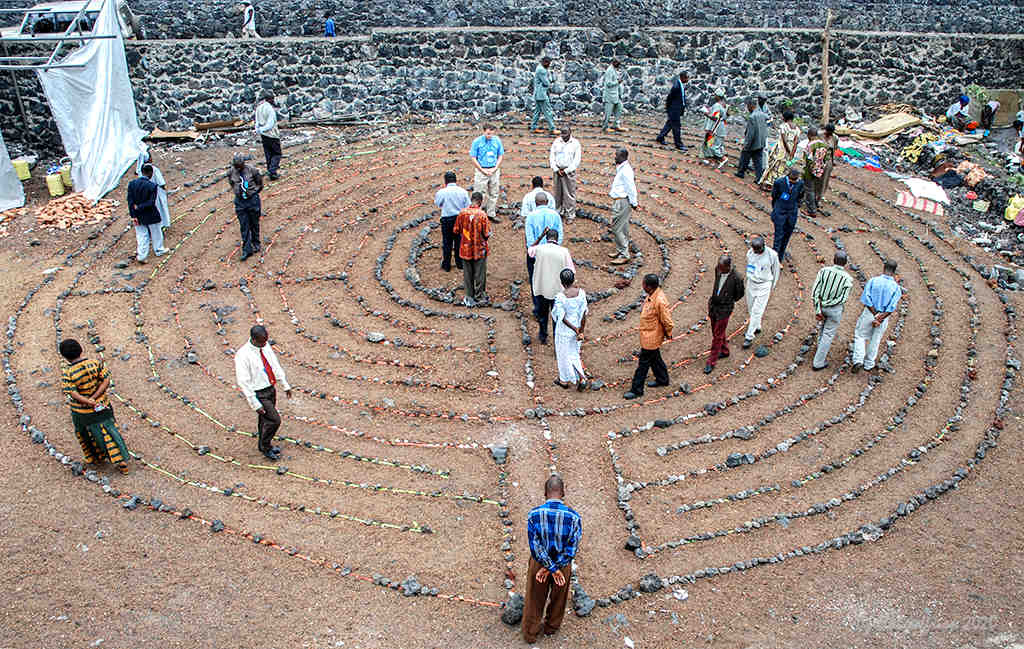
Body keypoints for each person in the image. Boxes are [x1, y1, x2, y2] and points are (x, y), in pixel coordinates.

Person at [523, 474, 582, 644]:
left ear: (545, 492)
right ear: (563, 493)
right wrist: (556, 569)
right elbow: (572, 548)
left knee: (534, 596)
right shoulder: (574, 517)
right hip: (562, 566)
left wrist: (547, 567)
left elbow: (535, 545)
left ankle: (530, 633)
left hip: (538, 564)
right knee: (559, 597)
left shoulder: (534, 515)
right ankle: (551, 627)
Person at [60, 339, 130, 474]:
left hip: (82, 412)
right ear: (81, 350)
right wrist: (95, 397)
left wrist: (88, 401)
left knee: (86, 433)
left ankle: (95, 457)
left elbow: (72, 392)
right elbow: (106, 380)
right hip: (103, 405)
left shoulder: (68, 373)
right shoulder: (95, 363)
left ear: (64, 356)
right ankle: (121, 462)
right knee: (109, 431)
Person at [234, 325, 292, 460]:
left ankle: (263, 444)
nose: (265, 344)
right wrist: (255, 404)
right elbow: (243, 381)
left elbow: (274, 364)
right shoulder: (243, 355)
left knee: (264, 420)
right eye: (262, 341)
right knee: (274, 420)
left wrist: (285, 384)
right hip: (259, 393)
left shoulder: (264, 347)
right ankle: (266, 447)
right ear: (253, 339)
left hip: (270, 388)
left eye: (266, 340)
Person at [623, 274, 674, 399]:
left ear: (649, 287)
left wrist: (668, 332)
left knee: (643, 364)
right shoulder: (653, 295)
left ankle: (636, 389)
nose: (642, 286)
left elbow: (667, 320)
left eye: (644, 284)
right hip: (648, 335)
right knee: (655, 359)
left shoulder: (659, 301)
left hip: (652, 337)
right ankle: (663, 379)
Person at [852, 260, 902, 374]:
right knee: (876, 339)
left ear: (884, 268)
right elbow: (892, 307)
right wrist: (880, 317)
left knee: (860, 335)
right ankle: (869, 364)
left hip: (869, 313)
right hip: (883, 317)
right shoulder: (896, 287)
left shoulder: (873, 281)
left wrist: (875, 314)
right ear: (894, 272)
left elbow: (866, 299)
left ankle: (858, 359)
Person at [811, 250, 854, 371]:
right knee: (828, 334)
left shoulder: (823, 271)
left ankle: (820, 349)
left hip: (821, 305)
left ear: (833, 260)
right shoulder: (848, 279)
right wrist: (829, 304)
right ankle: (818, 362)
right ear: (845, 263)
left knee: (822, 328)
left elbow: (815, 292)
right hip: (834, 310)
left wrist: (819, 309)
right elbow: (843, 299)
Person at [531, 229, 574, 345]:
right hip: (558, 289)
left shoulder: (539, 249)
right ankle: (557, 339)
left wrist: (540, 237)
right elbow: (571, 271)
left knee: (542, 314)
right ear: (557, 238)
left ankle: (543, 336)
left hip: (542, 287)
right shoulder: (564, 251)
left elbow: (530, 250)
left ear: (546, 238)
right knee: (557, 316)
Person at [705, 255, 744, 374]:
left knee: (717, 335)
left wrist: (728, 301)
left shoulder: (737, 278)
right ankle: (725, 350)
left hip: (724, 310)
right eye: (719, 267)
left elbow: (739, 294)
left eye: (722, 267)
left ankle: (711, 361)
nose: (719, 269)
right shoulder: (717, 269)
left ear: (728, 266)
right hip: (714, 306)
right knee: (716, 330)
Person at [551, 269, 588, 390]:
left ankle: (566, 380)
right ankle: (579, 377)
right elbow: (584, 313)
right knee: (574, 353)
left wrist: (574, 329)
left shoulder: (561, 297)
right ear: (573, 280)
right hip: (577, 326)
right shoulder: (581, 293)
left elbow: (561, 318)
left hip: (564, 331)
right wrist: (580, 330)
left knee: (563, 354)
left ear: (562, 282)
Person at [742, 235, 780, 349]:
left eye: (758, 249)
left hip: (764, 285)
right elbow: (749, 267)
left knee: (757, 311)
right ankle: (757, 326)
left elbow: (776, 271)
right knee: (750, 307)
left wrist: (771, 286)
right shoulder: (750, 254)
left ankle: (749, 336)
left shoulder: (772, 255)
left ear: (763, 246)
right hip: (751, 283)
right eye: (755, 250)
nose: (757, 252)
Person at [455, 192, 491, 306]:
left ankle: (469, 296)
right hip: (479, 249)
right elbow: (486, 233)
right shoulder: (482, 215)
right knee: (480, 274)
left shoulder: (462, 213)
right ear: (480, 201)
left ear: (472, 200)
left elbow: (456, 230)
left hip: (465, 248)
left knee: (467, 273)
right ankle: (480, 295)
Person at [127, 164, 167, 264]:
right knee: (156, 232)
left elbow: (130, 201)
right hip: (151, 214)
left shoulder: (132, 184)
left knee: (141, 235)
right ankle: (159, 250)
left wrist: (133, 215)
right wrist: (140, 207)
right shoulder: (152, 186)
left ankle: (142, 255)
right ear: (151, 173)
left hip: (138, 215)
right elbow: (151, 202)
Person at [227, 154, 264, 261]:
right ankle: (247, 250)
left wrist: (253, 193)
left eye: (239, 166)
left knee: (254, 223)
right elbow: (232, 184)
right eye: (236, 166)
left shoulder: (252, 170)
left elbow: (260, 183)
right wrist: (239, 193)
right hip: (240, 202)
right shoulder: (230, 172)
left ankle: (256, 243)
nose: (237, 168)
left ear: (243, 164)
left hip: (252, 200)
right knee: (244, 225)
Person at [524, 193, 564, 288]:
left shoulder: (530, 216)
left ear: (535, 203)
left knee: (535, 282)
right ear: (547, 202)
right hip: (552, 252)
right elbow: (560, 236)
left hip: (536, 254)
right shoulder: (555, 215)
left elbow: (530, 242)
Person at [434, 171, 469, 272]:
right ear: (456, 180)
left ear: (445, 181)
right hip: (459, 219)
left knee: (447, 242)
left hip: (446, 219)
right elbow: (467, 206)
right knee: (459, 241)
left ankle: (447, 265)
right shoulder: (463, 191)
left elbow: (438, 204)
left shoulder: (441, 192)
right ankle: (460, 264)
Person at [608, 147, 638, 266]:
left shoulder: (626, 171)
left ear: (623, 157)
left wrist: (634, 203)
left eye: (617, 155)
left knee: (616, 227)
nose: (615, 157)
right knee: (623, 227)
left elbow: (631, 188)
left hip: (622, 202)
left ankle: (624, 254)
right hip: (620, 201)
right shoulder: (622, 168)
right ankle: (621, 250)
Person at [469, 123, 504, 223]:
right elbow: (473, 157)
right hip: (481, 170)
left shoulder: (497, 140)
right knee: (479, 193)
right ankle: (477, 215)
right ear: (483, 131)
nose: (490, 136)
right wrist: (481, 170)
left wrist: (495, 168)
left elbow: (500, 155)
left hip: (494, 170)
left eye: (492, 134)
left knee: (494, 192)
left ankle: (490, 214)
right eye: (488, 133)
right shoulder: (477, 142)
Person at [760, 110, 800, 189]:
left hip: (781, 149)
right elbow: (796, 142)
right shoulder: (797, 129)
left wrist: (788, 151)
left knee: (775, 165)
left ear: (786, 118)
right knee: (784, 167)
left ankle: (770, 184)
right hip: (791, 149)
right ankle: (779, 185)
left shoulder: (784, 126)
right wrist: (792, 153)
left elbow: (784, 140)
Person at [770, 165, 804, 260]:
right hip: (780, 212)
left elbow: (800, 196)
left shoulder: (800, 183)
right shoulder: (779, 182)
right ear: (788, 176)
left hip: (792, 213)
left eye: (796, 180)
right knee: (778, 236)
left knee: (786, 237)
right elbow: (774, 196)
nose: (794, 181)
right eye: (792, 180)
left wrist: (795, 206)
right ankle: (774, 259)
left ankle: (780, 257)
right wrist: (776, 208)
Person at [549, 127, 581, 221]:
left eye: (565, 134)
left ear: (570, 133)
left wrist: (566, 171)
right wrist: (555, 169)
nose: (563, 136)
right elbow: (552, 156)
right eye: (562, 134)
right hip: (557, 171)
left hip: (569, 171)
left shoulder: (575, 143)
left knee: (569, 193)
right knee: (557, 193)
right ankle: (557, 213)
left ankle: (570, 214)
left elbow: (576, 160)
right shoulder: (556, 142)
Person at [136, 150, 171, 230]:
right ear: (149, 159)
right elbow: (161, 182)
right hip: (157, 192)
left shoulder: (141, 170)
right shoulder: (154, 169)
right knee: (160, 208)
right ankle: (162, 224)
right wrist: (164, 190)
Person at [736, 98, 768, 181]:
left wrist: (746, 144)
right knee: (758, 161)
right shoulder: (762, 114)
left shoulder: (752, 117)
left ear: (751, 106)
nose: (747, 108)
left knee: (744, 156)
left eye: (748, 106)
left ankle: (741, 172)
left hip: (753, 142)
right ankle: (759, 177)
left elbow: (750, 133)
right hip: (761, 141)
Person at [656, 71, 688, 150]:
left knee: (670, 124)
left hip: (676, 109)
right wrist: (669, 109)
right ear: (682, 77)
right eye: (686, 78)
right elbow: (669, 98)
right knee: (676, 127)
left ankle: (660, 137)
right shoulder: (676, 86)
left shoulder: (680, 85)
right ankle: (678, 144)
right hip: (674, 110)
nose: (687, 80)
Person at [255, 93, 281, 180]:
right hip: (271, 134)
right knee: (277, 153)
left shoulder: (259, 108)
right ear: (269, 99)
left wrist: (259, 130)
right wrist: (264, 129)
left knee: (268, 153)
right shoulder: (270, 109)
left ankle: (270, 170)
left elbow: (256, 121)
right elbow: (271, 124)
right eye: (272, 99)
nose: (274, 101)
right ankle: (272, 171)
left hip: (263, 135)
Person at [802, 126, 828, 216]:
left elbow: (807, 159)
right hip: (820, 170)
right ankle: (811, 203)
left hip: (810, 170)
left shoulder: (810, 145)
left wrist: (808, 169)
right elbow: (826, 158)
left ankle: (811, 210)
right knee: (815, 188)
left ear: (810, 135)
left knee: (809, 189)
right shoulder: (824, 144)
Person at [702, 88, 728, 166]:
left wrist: (706, 113)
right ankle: (712, 159)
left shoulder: (717, 105)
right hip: (721, 126)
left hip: (715, 127)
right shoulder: (724, 104)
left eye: (715, 95)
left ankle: (721, 158)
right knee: (713, 142)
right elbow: (726, 115)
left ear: (718, 96)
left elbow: (715, 117)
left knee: (712, 143)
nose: (714, 97)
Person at [530, 57, 556, 133]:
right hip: (542, 94)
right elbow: (546, 83)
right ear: (545, 62)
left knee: (537, 112)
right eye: (548, 63)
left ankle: (533, 127)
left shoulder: (539, 68)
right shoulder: (542, 70)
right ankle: (552, 128)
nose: (549, 65)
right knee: (548, 111)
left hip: (537, 94)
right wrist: (549, 82)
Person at [601, 60, 625, 132]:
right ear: (614, 63)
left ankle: (616, 125)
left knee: (619, 108)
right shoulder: (609, 71)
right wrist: (618, 82)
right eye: (618, 63)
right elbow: (608, 83)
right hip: (609, 95)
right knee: (608, 113)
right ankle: (605, 127)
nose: (619, 65)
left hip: (616, 95)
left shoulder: (614, 70)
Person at [820, 123, 838, 199]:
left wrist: (833, 161)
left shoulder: (835, 138)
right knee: (816, 178)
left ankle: (820, 195)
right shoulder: (819, 135)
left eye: (831, 133)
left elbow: (834, 150)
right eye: (828, 133)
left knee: (825, 179)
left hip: (828, 160)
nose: (829, 135)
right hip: (819, 159)